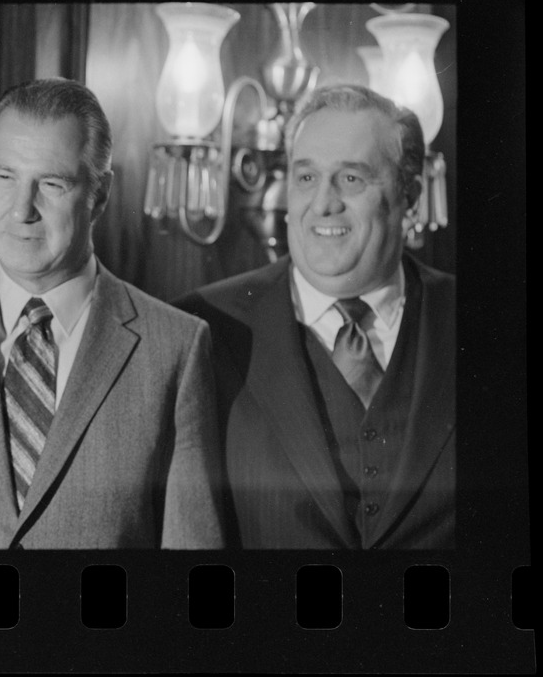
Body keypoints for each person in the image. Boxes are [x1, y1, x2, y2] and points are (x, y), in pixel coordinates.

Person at [0, 78, 225, 548]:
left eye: (52, 184)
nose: (22, 209)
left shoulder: (174, 349)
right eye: (5, 177)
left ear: (99, 195)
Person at [177, 84, 455, 549]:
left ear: (410, 196)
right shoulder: (202, 327)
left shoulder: (486, 322)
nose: (323, 203)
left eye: (351, 179)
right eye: (306, 178)